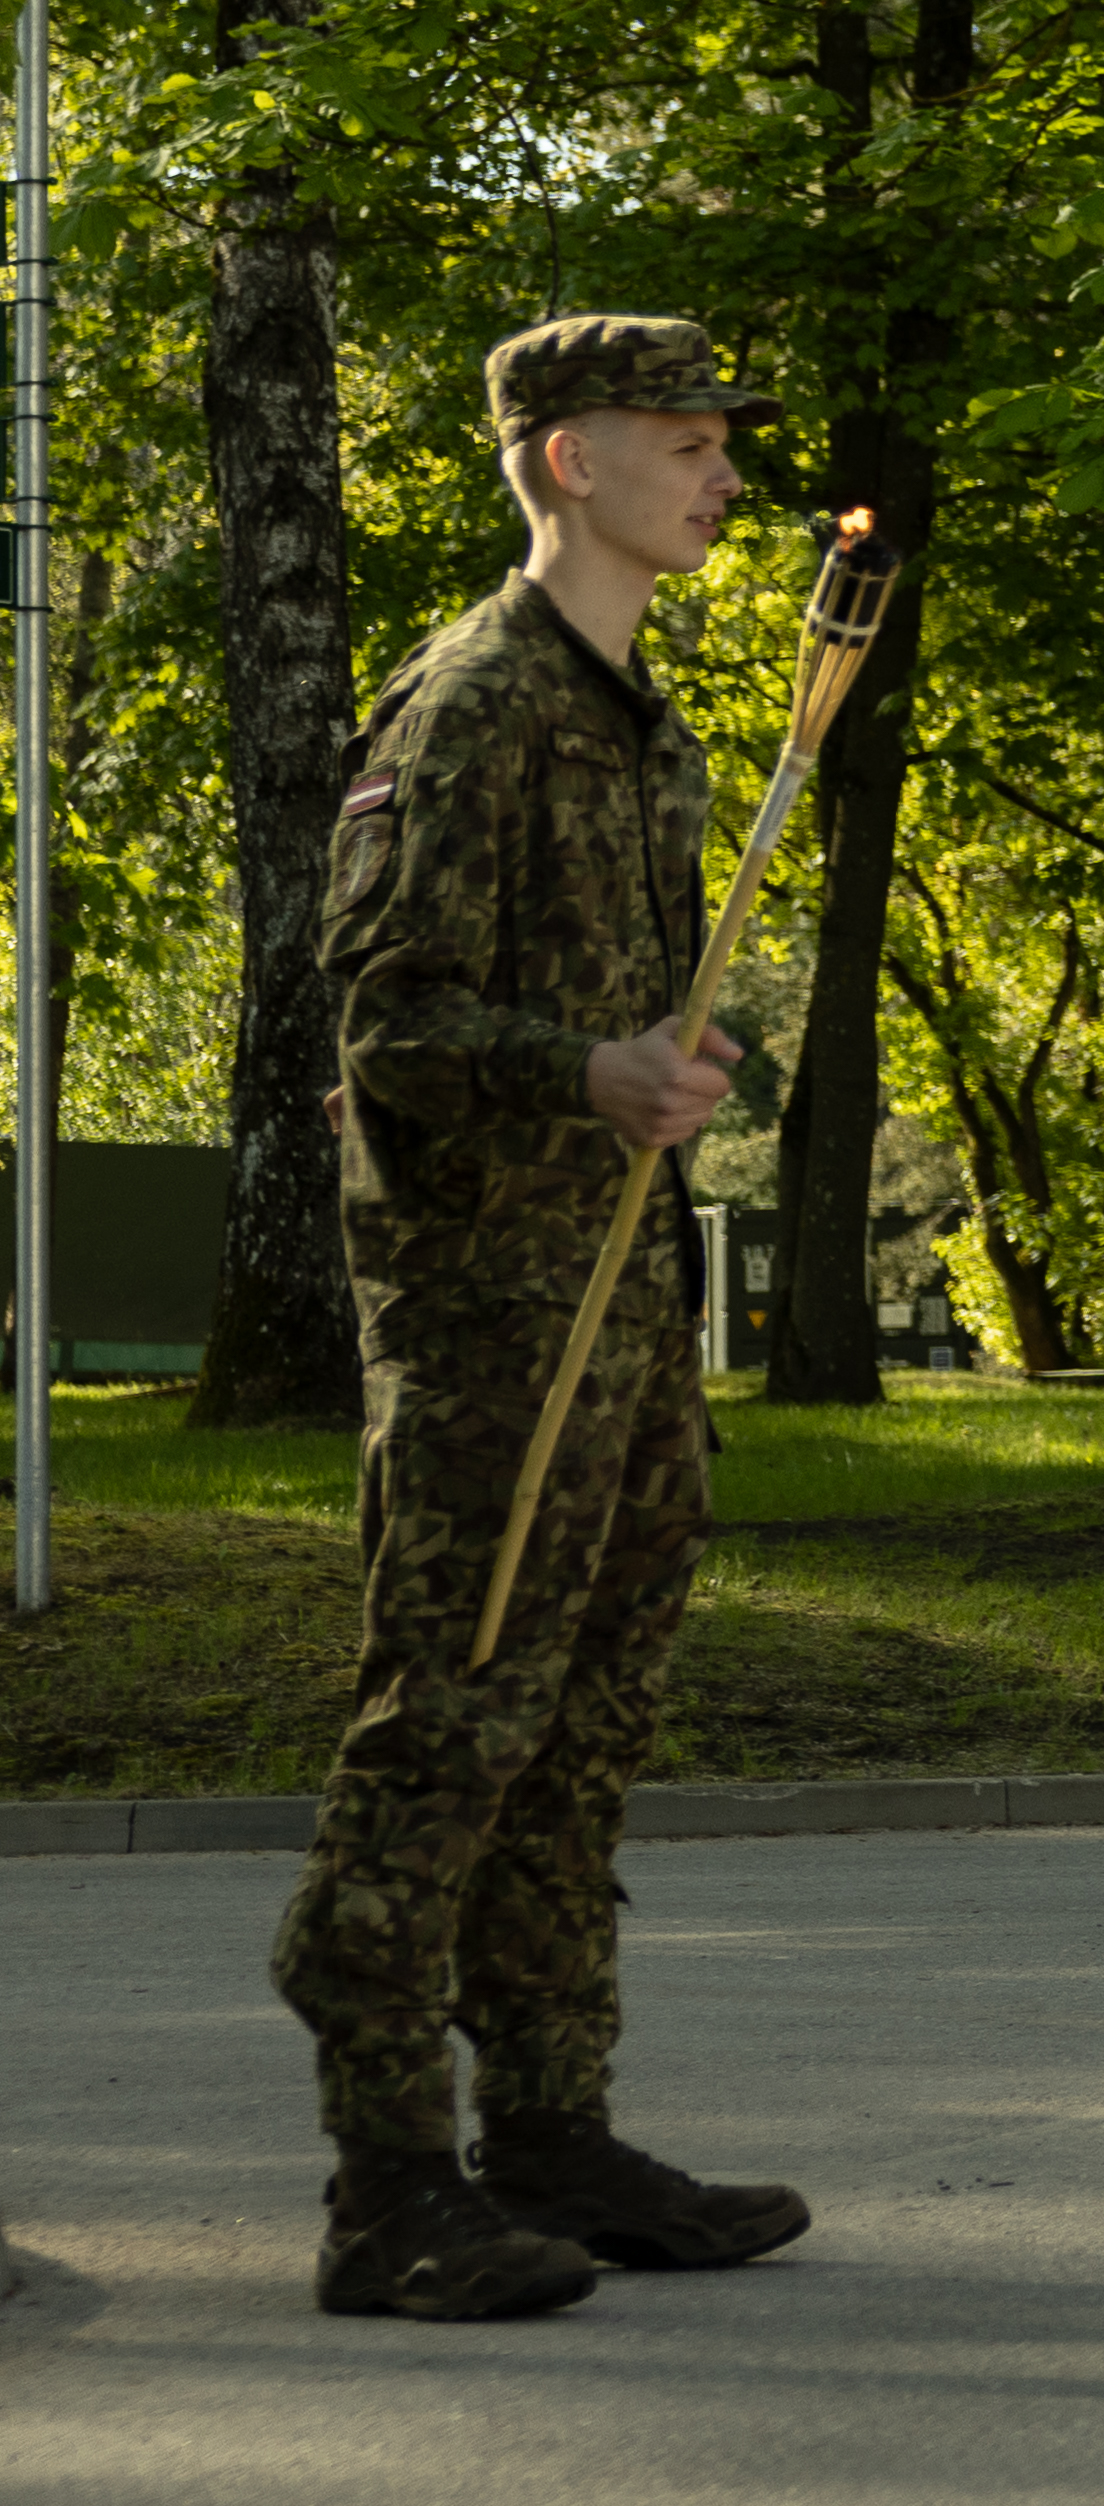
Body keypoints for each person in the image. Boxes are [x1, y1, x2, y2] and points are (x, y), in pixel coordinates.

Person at [266, 318, 821, 2323]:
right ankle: (388, 2179)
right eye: (687, 444)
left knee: (582, 1732)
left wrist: (657, 1065)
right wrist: (581, 1071)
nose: (725, 476)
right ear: (569, 460)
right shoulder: (478, 700)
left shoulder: (638, 716)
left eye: (725, 445)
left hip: (619, 1297)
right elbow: (383, 1023)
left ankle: (556, 2129)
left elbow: (593, 1008)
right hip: (490, 1309)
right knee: (459, 1716)